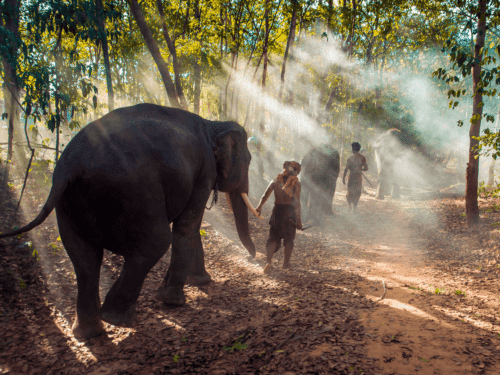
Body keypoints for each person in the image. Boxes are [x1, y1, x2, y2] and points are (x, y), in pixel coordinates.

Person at [256, 161, 302, 274]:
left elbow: (264, 195)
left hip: (277, 211)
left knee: (273, 238)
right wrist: (299, 221)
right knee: (289, 239)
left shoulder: (275, 181)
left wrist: (259, 207)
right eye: (297, 171)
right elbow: (296, 203)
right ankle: (285, 264)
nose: (297, 174)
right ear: (295, 172)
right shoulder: (296, 184)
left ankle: (268, 262)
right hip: (289, 212)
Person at [342, 142, 368, 212]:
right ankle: (354, 209)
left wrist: (343, 178)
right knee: (357, 193)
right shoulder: (363, 158)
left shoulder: (349, 158)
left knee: (350, 192)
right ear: (359, 149)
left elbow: (346, 169)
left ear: (352, 149)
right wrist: (361, 169)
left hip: (351, 178)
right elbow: (366, 168)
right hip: (358, 178)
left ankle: (349, 206)